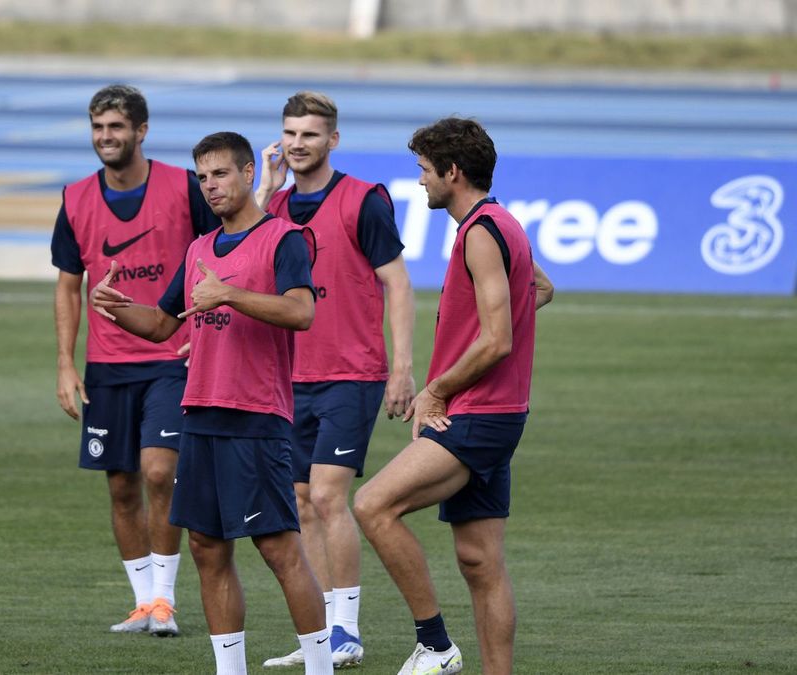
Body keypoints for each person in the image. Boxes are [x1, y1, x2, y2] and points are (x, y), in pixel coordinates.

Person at [90, 131, 333, 675]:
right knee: (205, 547)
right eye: (202, 177)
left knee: (278, 550)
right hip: (199, 415)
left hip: (256, 418)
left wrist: (229, 294)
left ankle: (321, 668)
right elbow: (160, 324)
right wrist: (115, 307)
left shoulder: (283, 238)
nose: (210, 186)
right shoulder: (199, 249)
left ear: (250, 173)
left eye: (220, 174)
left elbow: (301, 312)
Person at [352, 117, 554, 675]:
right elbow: (540, 287)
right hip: (501, 411)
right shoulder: (502, 222)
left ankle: (435, 644)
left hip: (479, 415)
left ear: (452, 172)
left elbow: (497, 340)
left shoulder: (482, 233)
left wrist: (436, 391)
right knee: (479, 561)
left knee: (373, 505)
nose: (420, 182)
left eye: (424, 170)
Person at [253, 91, 416, 669]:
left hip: (352, 374)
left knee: (326, 495)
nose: (298, 144)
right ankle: (322, 636)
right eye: (290, 134)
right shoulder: (270, 210)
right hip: (286, 378)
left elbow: (397, 283)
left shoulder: (363, 200)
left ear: (333, 140)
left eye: (311, 134)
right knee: (299, 501)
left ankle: (346, 629)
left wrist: (401, 367)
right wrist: (265, 193)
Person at [52, 84, 219, 636]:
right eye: (98, 128)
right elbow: (68, 285)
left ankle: (167, 602)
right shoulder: (75, 198)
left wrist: (206, 332)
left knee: (159, 470)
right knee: (121, 486)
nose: (106, 137)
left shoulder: (183, 188)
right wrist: (65, 363)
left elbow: (221, 254)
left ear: (141, 131)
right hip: (107, 365)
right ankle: (144, 603)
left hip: (171, 356)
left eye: (116, 127)